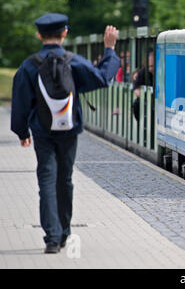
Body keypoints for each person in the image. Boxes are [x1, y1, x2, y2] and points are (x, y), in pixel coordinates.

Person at [10, 13, 120, 254]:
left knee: (46, 179)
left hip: (42, 131)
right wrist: (110, 49)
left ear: (39, 35)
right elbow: (102, 77)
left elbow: (19, 101)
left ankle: (52, 237)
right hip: (68, 130)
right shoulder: (74, 62)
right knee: (65, 179)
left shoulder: (30, 65)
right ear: (65, 33)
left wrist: (21, 131)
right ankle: (65, 232)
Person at [132, 50, 154, 121]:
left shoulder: (160, 70)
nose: (151, 69)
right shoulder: (142, 72)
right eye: (150, 66)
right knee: (136, 104)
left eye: (153, 66)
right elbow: (136, 90)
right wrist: (146, 96)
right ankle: (139, 121)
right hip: (146, 99)